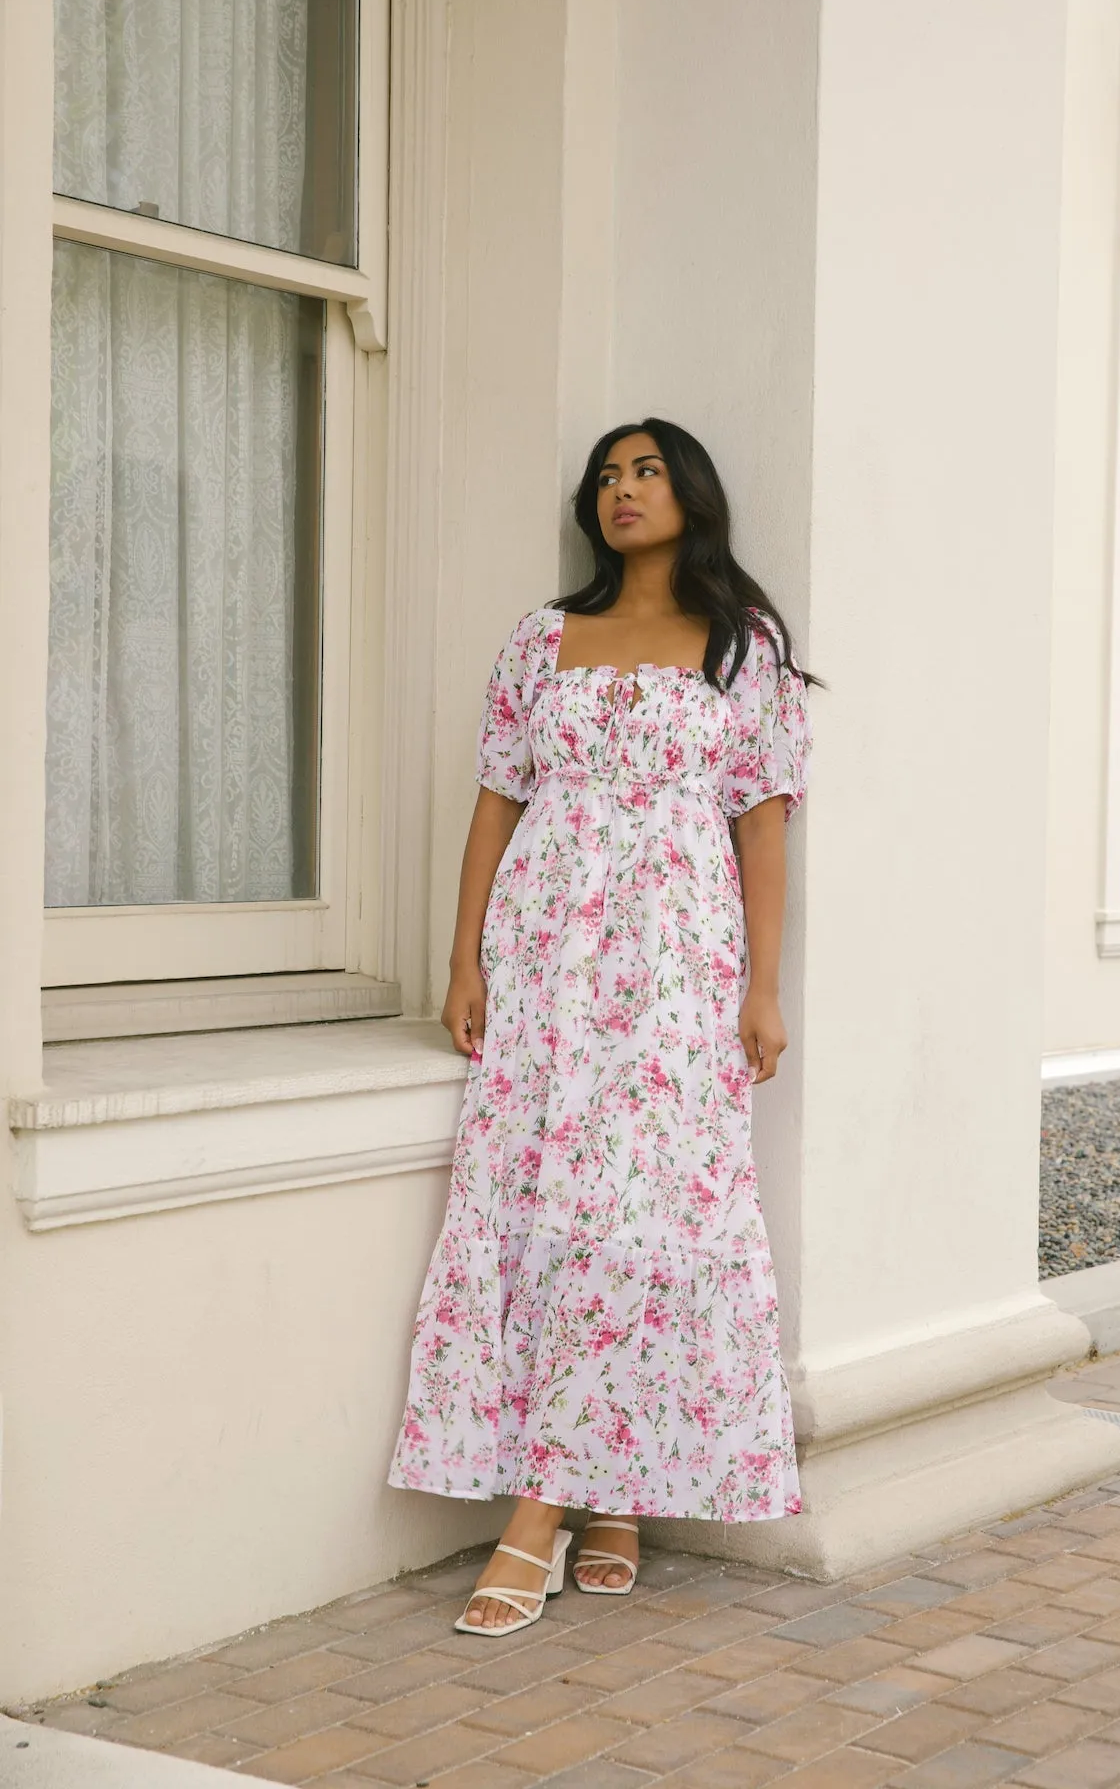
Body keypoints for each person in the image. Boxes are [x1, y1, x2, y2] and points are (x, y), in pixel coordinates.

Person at [388, 418, 815, 1635]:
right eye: (608, 476)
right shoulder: (542, 635)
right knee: (543, 1208)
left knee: (643, 1216)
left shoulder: (745, 645)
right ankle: (603, 1494)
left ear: (692, 494)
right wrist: (464, 957)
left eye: (647, 472)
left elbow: (764, 821)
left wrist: (762, 986)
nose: (623, 491)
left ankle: (546, 1510)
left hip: (676, 959)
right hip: (546, 954)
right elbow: (495, 799)